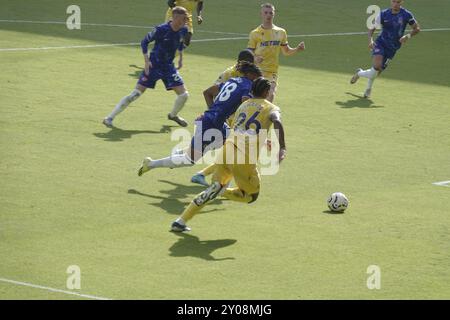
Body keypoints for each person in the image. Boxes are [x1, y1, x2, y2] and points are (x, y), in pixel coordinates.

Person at [171, 77, 287, 232]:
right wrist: (282, 147)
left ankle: (181, 221)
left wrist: (263, 141)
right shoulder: (271, 108)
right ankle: (221, 191)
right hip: (243, 159)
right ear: (266, 92)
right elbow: (277, 121)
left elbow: (239, 129)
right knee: (251, 196)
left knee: (212, 189)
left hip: (226, 152)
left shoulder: (243, 106)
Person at [137, 62, 263, 176]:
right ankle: (152, 164)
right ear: (250, 74)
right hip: (211, 123)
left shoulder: (232, 81)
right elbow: (245, 105)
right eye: (257, 78)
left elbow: (207, 92)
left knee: (229, 142)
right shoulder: (248, 86)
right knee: (190, 160)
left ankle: (184, 158)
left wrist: (214, 111)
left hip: (213, 120)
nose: (257, 81)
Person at [103, 6, 190, 128]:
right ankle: (109, 117)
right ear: (175, 18)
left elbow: (180, 42)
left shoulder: (184, 29)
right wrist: (146, 61)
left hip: (168, 67)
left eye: (186, 19)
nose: (186, 21)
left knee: (184, 95)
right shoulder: (161, 29)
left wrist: (180, 57)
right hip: (154, 66)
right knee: (135, 94)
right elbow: (144, 42)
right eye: (183, 19)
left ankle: (173, 115)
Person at [190, 49, 255, 186]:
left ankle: (209, 175)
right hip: (230, 118)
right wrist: (212, 112)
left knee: (230, 150)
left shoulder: (241, 75)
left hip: (233, 116)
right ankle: (213, 179)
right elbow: (213, 91)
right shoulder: (230, 74)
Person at [350, 0, 420, 98]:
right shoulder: (383, 14)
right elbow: (372, 28)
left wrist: (407, 36)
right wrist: (370, 40)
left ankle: (362, 79)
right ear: (391, 2)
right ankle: (364, 81)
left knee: (376, 73)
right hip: (380, 43)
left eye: (398, 2)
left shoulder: (406, 15)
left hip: (393, 48)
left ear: (402, 2)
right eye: (394, 1)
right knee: (377, 66)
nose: (396, 4)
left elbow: (416, 29)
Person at [247, 3, 305, 102]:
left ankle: (265, 115)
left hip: (272, 71)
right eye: (266, 13)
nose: (268, 15)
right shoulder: (255, 33)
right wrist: (255, 58)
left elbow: (286, 51)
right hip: (257, 71)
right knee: (254, 98)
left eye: (271, 13)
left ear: (274, 14)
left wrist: (297, 49)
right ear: (261, 14)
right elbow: (248, 54)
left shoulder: (281, 32)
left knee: (270, 94)